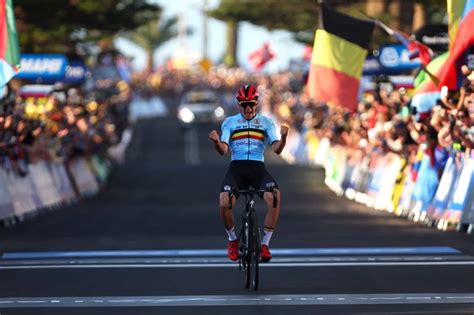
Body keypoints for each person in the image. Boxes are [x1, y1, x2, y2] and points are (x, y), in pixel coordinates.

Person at [208, 84, 289, 262]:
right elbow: (223, 150)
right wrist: (216, 142)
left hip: (257, 168)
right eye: (244, 104)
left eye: (251, 104)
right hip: (237, 168)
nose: (248, 108)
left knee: (275, 197)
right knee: (224, 202)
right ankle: (232, 240)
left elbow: (276, 149)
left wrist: (283, 138)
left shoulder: (266, 122)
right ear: (239, 104)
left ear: (256, 103)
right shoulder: (230, 122)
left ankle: (265, 245)